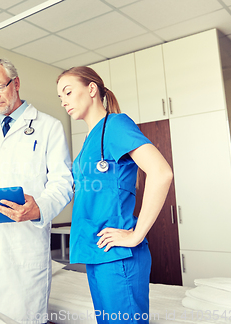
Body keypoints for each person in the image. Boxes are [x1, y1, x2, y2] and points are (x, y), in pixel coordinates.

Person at [0, 58, 74, 323]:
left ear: (16, 83)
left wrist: (39, 208)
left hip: (25, 243)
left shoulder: (48, 126)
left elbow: (63, 182)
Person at [56, 66, 173, 324]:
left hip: (119, 254)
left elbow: (161, 173)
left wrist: (136, 235)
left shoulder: (116, 125)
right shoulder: (89, 139)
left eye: (68, 91)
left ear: (92, 89)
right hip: (96, 251)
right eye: (59, 97)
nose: (63, 101)